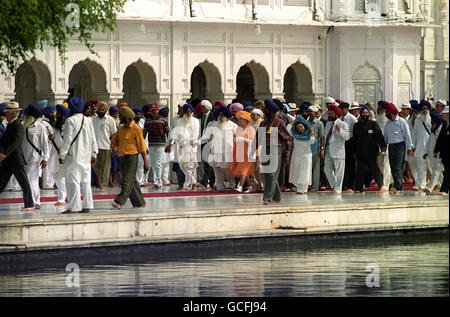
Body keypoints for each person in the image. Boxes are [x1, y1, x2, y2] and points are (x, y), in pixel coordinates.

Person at [59, 97, 98, 214]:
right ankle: (87, 205)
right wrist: (94, 153)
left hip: (74, 156)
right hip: (86, 156)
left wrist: (62, 155)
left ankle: (74, 207)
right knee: (86, 181)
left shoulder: (70, 121)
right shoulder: (88, 120)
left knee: (73, 182)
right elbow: (93, 138)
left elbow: (67, 140)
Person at [111, 106, 149, 209]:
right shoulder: (122, 129)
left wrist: (145, 161)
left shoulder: (136, 128)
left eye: (121, 116)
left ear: (126, 117)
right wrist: (113, 144)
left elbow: (141, 146)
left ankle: (119, 202)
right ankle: (140, 203)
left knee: (126, 180)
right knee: (132, 181)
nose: (119, 117)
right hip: (122, 157)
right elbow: (116, 139)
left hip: (132, 157)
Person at [0, 102, 35, 211]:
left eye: (7, 113)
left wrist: (5, 153)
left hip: (15, 159)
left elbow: (16, 142)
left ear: (12, 113)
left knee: (24, 183)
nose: (5, 115)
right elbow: (4, 141)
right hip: (8, 161)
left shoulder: (18, 126)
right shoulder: (10, 125)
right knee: (1, 181)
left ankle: (29, 204)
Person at [257, 100, 292, 205]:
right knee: (268, 174)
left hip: (276, 149)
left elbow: (287, 138)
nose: (264, 110)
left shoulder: (279, 122)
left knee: (272, 174)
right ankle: (277, 197)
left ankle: (267, 198)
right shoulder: (263, 123)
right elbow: (258, 137)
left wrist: (287, 154)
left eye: (266, 109)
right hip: (265, 149)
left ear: (271, 111)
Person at [198, 106, 237, 191]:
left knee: (228, 170)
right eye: (219, 115)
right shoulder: (214, 125)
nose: (221, 116)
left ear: (226, 115)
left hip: (228, 151)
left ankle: (232, 185)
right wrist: (197, 142)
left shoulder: (233, 125)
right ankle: (220, 186)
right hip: (216, 151)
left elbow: (237, 138)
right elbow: (206, 136)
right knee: (217, 170)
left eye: (223, 115)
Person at [352, 106, 387, 193]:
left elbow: (379, 135)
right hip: (360, 152)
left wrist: (383, 146)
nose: (365, 114)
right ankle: (359, 188)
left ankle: (381, 186)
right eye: (363, 113)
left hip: (372, 152)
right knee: (360, 171)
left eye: (366, 113)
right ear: (361, 114)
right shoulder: (356, 126)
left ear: (369, 114)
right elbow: (354, 140)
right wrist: (354, 151)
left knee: (375, 170)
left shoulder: (373, 124)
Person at [22, 104, 49, 209]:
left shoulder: (40, 127)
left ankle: (32, 202)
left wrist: (45, 159)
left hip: (34, 158)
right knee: (31, 180)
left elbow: (44, 144)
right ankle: (36, 201)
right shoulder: (23, 125)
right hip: (24, 158)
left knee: (31, 180)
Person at [383, 102, 414, 194]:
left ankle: (398, 187)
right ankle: (399, 186)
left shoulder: (401, 122)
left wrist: (409, 148)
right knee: (393, 166)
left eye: (387, 113)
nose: (386, 115)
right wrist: (384, 146)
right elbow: (386, 136)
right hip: (391, 146)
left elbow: (407, 135)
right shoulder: (388, 123)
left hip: (400, 145)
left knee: (398, 167)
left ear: (391, 113)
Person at [173, 104, 202, 191]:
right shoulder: (179, 121)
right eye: (187, 111)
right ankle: (194, 182)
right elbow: (176, 133)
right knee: (182, 166)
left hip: (191, 146)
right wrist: (176, 141)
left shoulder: (196, 121)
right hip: (181, 147)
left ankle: (186, 185)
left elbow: (195, 135)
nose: (189, 113)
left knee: (189, 166)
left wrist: (186, 142)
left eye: (190, 111)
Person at [226, 111, 256, 192]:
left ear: (246, 121)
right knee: (244, 171)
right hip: (240, 152)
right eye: (239, 120)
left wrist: (244, 139)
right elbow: (235, 139)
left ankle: (240, 186)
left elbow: (253, 141)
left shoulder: (251, 129)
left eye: (241, 120)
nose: (239, 121)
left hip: (248, 153)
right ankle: (250, 186)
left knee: (244, 170)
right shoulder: (238, 129)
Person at [324, 104, 350, 195]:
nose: (330, 115)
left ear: (336, 114)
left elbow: (347, 137)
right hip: (328, 150)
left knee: (339, 171)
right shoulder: (328, 124)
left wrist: (340, 131)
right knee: (326, 169)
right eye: (329, 113)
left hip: (338, 151)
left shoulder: (343, 124)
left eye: (332, 114)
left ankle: (338, 189)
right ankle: (335, 185)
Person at [143, 103, 170, 189]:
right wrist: (143, 145)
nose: (154, 112)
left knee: (158, 163)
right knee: (154, 163)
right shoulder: (147, 121)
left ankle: (158, 182)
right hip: (151, 144)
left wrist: (169, 144)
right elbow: (143, 134)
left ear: (158, 110)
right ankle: (157, 181)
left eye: (155, 110)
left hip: (160, 144)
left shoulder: (163, 120)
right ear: (150, 111)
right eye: (152, 110)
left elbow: (168, 133)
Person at [93, 101, 117, 192]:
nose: (101, 111)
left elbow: (114, 134)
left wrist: (114, 146)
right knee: (96, 167)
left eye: (103, 109)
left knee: (105, 167)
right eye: (99, 109)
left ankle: (104, 185)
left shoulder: (110, 120)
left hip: (106, 146)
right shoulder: (94, 120)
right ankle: (101, 182)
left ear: (106, 110)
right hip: (95, 147)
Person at [289, 116, 315, 194]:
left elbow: (312, 142)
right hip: (296, 156)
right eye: (298, 127)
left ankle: (302, 189)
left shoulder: (308, 134)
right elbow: (288, 129)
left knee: (304, 172)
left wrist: (312, 133)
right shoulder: (295, 135)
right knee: (298, 172)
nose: (300, 128)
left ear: (304, 126)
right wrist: (293, 122)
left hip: (306, 156)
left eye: (301, 126)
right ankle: (302, 189)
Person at [412, 100, 432, 191]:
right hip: (419, 148)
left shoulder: (432, 120)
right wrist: (413, 147)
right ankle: (422, 185)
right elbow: (414, 134)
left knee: (433, 168)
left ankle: (439, 184)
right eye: (423, 108)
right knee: (420, 167)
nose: (424, 110)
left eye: (426, 108)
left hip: (430, 148)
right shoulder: (417, 120)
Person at [339, 102, 358, 193]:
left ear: (347, 109)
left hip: (351, 142)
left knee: (351, 165)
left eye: (343, 109)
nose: (341, 111)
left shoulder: (352, 119)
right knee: (343, 164)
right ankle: (344, 184)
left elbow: (356, 134)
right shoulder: (339, 119)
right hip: (342, 142)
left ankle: (351, 184)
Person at [424, 112, 445, 195]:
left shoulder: (442, 130)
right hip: (431, 155)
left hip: (439, 155)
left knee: (436, 171)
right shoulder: (433, 131)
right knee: (437, 172)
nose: (432, 123)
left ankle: (429, 188)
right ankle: (443, 186)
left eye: (433, 121)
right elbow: (428, 142)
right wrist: (425, 152)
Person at [53, 104, 70, 207]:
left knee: (61, 176)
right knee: (56, 175)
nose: (57, 115)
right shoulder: (56, 126)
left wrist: (63, 153)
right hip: (55, 154)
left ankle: (62, 198)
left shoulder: (66, 126)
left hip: (64, 155)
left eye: (59, 114)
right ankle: (64, 196)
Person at [308, 105, 325, 192]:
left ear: (315, 113)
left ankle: (315, 186)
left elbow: (322, 137)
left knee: (315, 167)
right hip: (307, 147)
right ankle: (309, 185)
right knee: (308, 167)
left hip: (316, 147)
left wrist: (322, 148)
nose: (310, 113)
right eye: (309, 111)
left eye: (312, 111)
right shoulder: (306, 122)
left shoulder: (319, 123)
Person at [41, 105, 58, 190]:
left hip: (51, 147)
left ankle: (51, 183)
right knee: (46, 165)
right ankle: (47, 184)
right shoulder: (44, 123)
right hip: (47, 146)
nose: (53, 114)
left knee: (51, 164)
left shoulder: (50, 123)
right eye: (51, 112)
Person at [199, 100, 216, 189]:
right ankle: (208, 181)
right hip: (203, 142)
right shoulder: (201, 117)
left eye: (203, 107)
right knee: (206, 163)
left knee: (209, 163)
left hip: (210, 142)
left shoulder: (212, 116)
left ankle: (206, 182)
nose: (202, 109)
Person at [433, 105, 449, 195]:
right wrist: (436, 150)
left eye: (445, 114)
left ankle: (444, 189)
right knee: (447, 170)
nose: (443, 116)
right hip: (444, 153)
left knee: (447, 171)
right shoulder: (444, 124)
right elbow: (440, 139)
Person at [159, 107, 172, 186]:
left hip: (167, 146)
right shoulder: (161, 123)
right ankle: (159, 180)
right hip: (161, 146)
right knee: (160, 164)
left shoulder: (166, 123)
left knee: (166, 164)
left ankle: (165, 180)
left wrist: (170, 145)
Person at [108, 106, 121, 188]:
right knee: (110, 165)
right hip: (110, 145)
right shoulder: (109, 121)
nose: (117, 115)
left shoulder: (119, 121)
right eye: (115, 113)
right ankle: (110, 181)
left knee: (116, 165)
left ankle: (114, 181)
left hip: (117, 146)